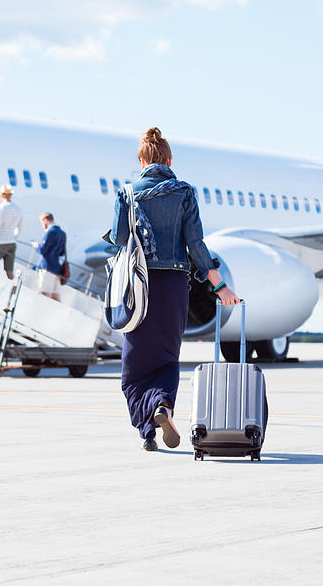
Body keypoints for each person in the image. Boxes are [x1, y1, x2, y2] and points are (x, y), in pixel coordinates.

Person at [109, 127, 240, 452]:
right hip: (173, 288)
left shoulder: (128, 193)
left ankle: (147, 433)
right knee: (167, 359)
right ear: (169, 159)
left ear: (142, 160)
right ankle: (162, 407)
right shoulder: (184, 192)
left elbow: (119, 239)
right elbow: (196, 245)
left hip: (139, 287)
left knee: (133, 367)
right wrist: (219, 286)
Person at [32, 212, 66, 301]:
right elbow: (62, 252)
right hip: (57, 269)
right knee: (55, 297)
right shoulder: (62, 233)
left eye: (42, 222)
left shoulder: (51, 232)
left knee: (44, 293)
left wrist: (36, 246)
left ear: (46, 220)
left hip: (47, 267)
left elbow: (43, 250)